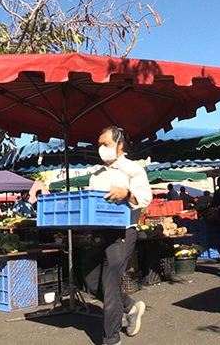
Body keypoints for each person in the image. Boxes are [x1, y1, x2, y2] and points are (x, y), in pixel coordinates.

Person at [84, 126, 152, 345]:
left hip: (123, 233)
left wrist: (127, 194)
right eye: (99, 145)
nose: (101, 149)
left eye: (106, 144)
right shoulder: (96, 176)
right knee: (89, 278)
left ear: (119, 145)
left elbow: (145, 198)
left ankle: (111, 339)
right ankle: (131, 306)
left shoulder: (133, 170)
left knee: (111, 283)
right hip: (99, 233)